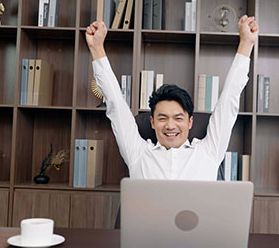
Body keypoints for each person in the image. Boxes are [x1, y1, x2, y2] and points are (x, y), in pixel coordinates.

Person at [85, 15, 258, 180]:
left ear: (190, 122)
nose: (170, 125)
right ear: (152, 122)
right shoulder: (138, 153)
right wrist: (96, 48)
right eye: (162, 118)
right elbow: (116, 105)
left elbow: (229, 102)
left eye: (178, 118)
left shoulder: (209, 151)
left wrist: (246, 44)